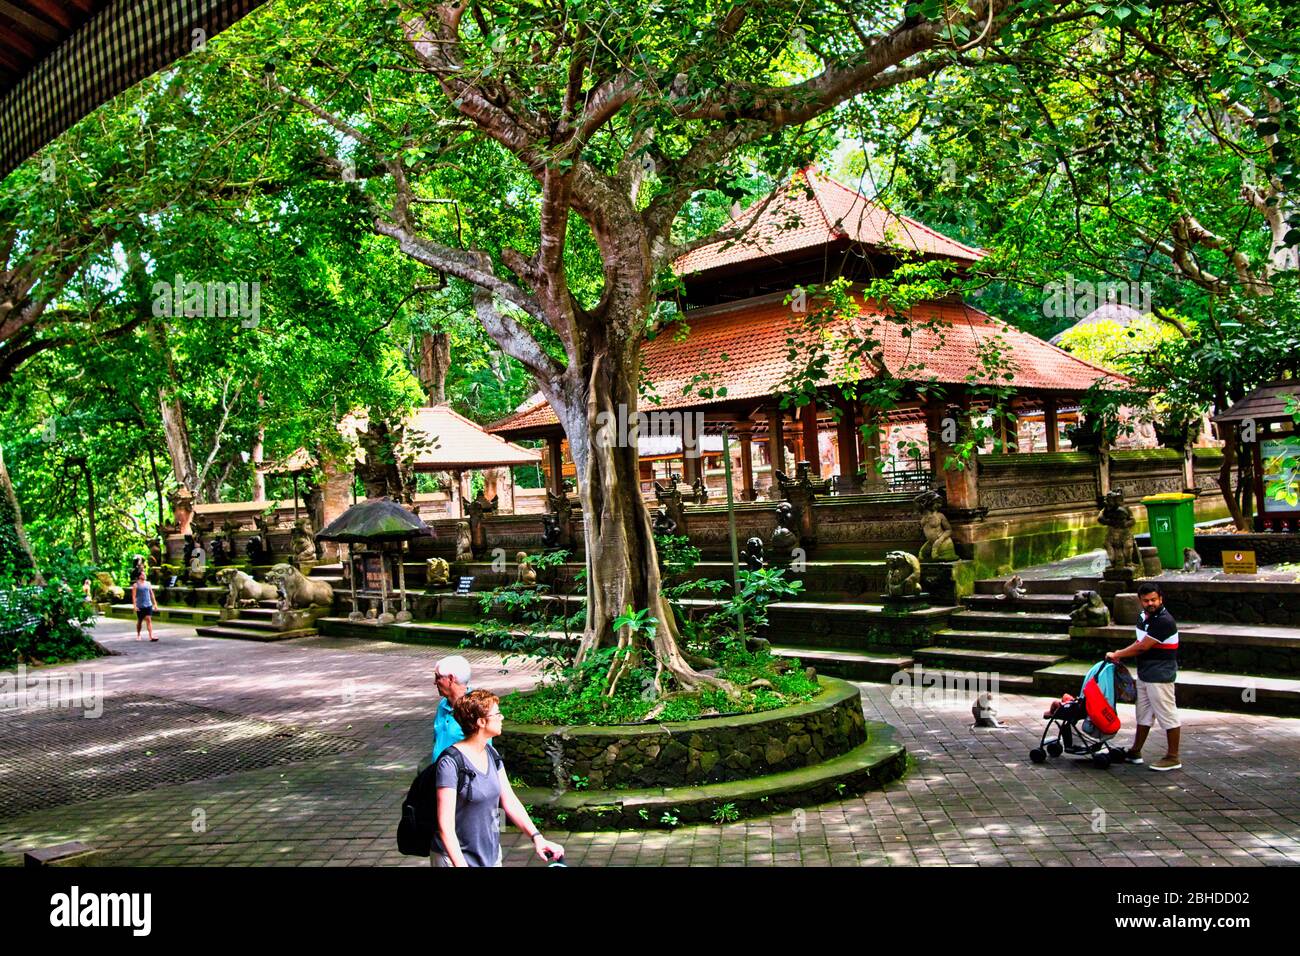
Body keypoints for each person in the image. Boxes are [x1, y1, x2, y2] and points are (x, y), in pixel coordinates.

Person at [433, 689, 563, 867]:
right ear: (481, 722)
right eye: (497, 714)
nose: (502, 718)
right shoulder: (450, 763)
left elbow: (509, 801)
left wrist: (537, 837)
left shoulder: (490, 752)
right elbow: (445, 826)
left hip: (490, 856)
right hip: (455, 858)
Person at [1107, 582, 1181, 771]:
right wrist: (1122, 654)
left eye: (1154, 600)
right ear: (1140, 601)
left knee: (1167, 714)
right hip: (1146, 673)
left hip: (1160, 675)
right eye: (1146, 600)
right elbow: (1140, 641)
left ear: (1160, 599)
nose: (1151, 603)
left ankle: (1173, 757)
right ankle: (1135, 751)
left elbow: (1142, 646)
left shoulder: (1164, 621)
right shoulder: (1143, 617)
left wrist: (1118, 654)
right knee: (1144, 714)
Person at [432, 655, 475, 764]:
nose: (434, 682)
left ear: (451, 679)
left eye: (437, 677)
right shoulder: (443, 705)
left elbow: (483, 752)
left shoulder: (475, 709)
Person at [131, 570, 158, 642]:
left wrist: (155, 604)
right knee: (140, 621)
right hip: (140, 605)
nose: (145, 575)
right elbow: (133, 596)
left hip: (148, 605)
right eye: (143, 574)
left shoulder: (148, 583)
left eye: (145, 574)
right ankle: (138, 635)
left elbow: (152, 594)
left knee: (148, 619)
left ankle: (151, 636)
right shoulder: (135, 585)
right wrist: (134, 606)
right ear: (139, 576)